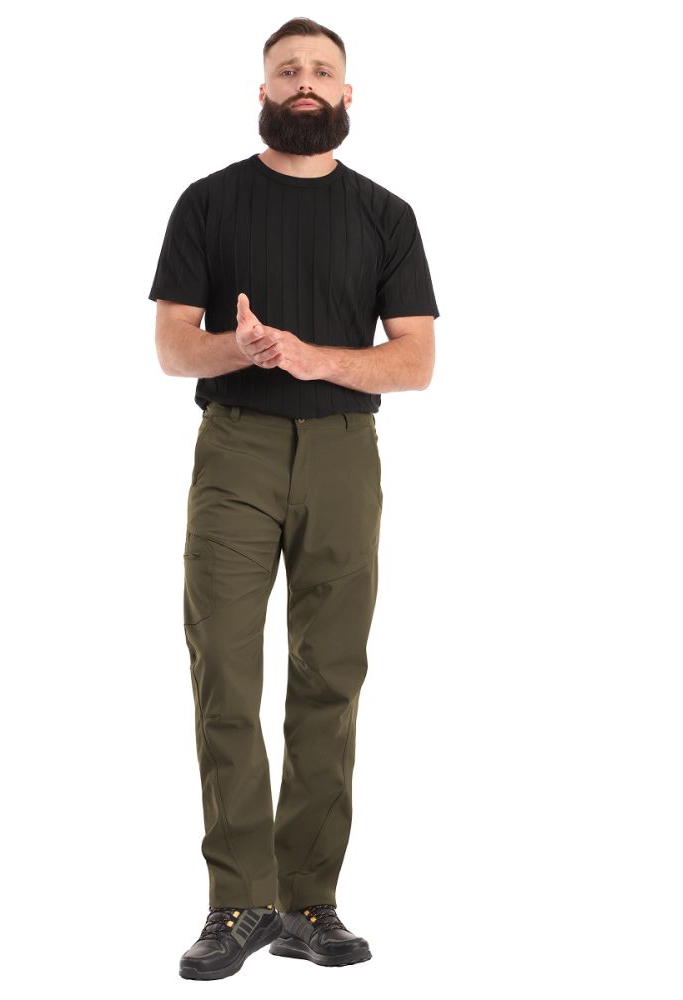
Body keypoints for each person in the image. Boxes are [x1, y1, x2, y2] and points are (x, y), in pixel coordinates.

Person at [149, 17, 439, 982]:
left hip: (344, 453)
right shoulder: (208, 202)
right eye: (287, 71)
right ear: (263, 92)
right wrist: (237, 348)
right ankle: (238, 901)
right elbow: (172, 348)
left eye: (322, 70)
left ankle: (310, 900)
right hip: (235, 448)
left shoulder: (386, 215)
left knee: (331, 674)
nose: (304, 82)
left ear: (348, 95)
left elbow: (416, 361)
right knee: (225, 669)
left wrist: (317, 358)